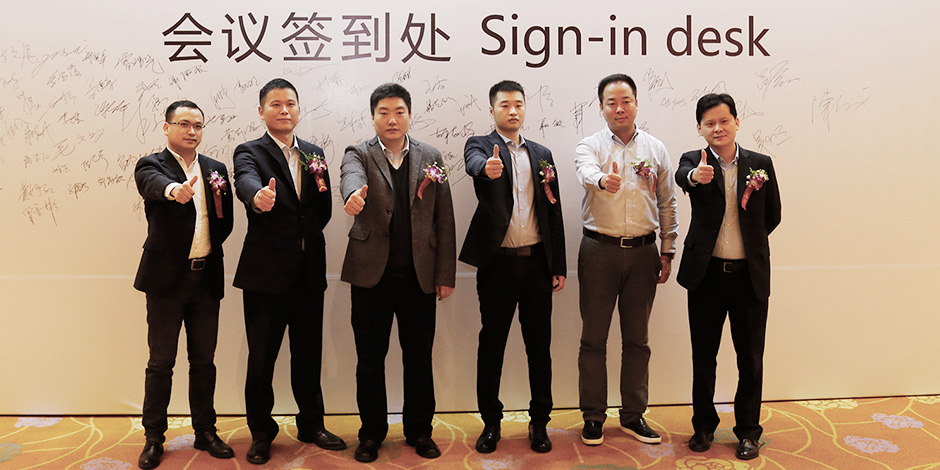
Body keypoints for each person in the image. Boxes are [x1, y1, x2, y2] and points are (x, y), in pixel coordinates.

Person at [340, 82, 456, 463]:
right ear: (373, 117)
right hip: (371, 277)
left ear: (409, 114)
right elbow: (350, 176)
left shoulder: (430, 155)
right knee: (369, 360)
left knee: (419, 358)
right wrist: (352, 195)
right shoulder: (358, 153)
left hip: (419, 277)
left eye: (399, 112)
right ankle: (371, 434)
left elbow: (443, 217)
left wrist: (445, 273)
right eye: (384, 113)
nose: (392, 120)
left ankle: (420, 431)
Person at [232, 78, 345, 465]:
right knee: (262, 358)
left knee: (308, 353)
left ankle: (311, 424)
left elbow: (322, 207)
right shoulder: (249, 151)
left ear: (298, 109)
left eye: (290, 103)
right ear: (261, 111)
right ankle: (261, 433)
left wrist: (305, 237)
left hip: (309, 272)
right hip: (265, 275)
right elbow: (244, 180)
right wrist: (257, 196)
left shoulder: (314, 153)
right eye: (275, 104)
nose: (284, 110)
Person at [459, 80, 566, 454]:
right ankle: (491, 423)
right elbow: (474, 164)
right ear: (492, 110)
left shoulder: (541, 153)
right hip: (497, 266)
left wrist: (558, 264)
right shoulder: (479, 145)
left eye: (518, 104)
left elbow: (553, 210)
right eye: (505, 105)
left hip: (537, 264)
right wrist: (486, 168)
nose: (513, 110)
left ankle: (540, 423)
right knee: (492, 345)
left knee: (539, 347)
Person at [675, 93, 781, 460]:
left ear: (736, 121)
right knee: (704, 357)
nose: (717, 128)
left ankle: (748, 432)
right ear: (700, 128)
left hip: (748, 277)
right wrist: (695, 176)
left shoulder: (760, 164)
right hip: (706, 277)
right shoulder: (694, 160)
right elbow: (683, 176)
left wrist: (748, 244)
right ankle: (703, 427)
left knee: (750, 359)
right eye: (709, 123)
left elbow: (773, 215)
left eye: (724, 121)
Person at [574, 73, 678, 446]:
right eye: (611, 103)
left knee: (637, 340)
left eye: (626, 101)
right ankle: (593, 417)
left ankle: (633, 416)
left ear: (636, 103)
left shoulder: (655, 148)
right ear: (601, 107)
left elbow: (667, 201)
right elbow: (585, 172)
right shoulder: (589, 145)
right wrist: (604, 180)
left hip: (644, 253)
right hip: (598, 251)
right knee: (593, 339)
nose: (619, 108)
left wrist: (667, 249)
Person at [133, 100, 234, 469]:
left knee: (204, 361)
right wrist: (174, 190)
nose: (192, 131)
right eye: (184, 124)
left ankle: (205, 431)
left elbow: (225, 221)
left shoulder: (216, 169)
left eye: (198, 125)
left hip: (205, 277)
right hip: (166, 281)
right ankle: (154, 438)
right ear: (167, 127)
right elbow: (152, 185)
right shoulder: (151, 165)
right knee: (161, 362)